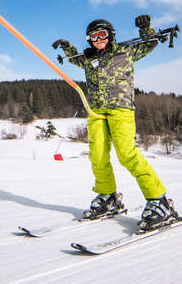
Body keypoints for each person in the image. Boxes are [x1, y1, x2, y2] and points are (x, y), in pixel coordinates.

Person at [52, 15, 178, 231]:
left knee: (127, 154)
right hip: (96, 111)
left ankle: (160, 201)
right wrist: (67, 46)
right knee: (98, 156)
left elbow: (150, 43)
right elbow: (73, 57)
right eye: (93, 36)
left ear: (110, 36)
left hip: (121, 109)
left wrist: (146, 28)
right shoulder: (88, 58)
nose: (98, 39)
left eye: (102, 34)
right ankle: (108, 197)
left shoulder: (125, 51)